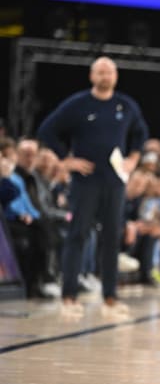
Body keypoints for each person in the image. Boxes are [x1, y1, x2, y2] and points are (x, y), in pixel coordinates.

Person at [37, 56, 149, 317]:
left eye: (109, 72)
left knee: (112, 238)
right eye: (100, 72)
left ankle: (109, 297)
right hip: (85, 182)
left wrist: (133, 159)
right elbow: (47, 130)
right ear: (91, 76)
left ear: (116, 76)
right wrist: (67, 160)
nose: (105, 76)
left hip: (115, 183)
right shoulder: (78, 104)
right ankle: (69, 296)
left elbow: (141, 134)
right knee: (77, 235)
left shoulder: (125, 105)